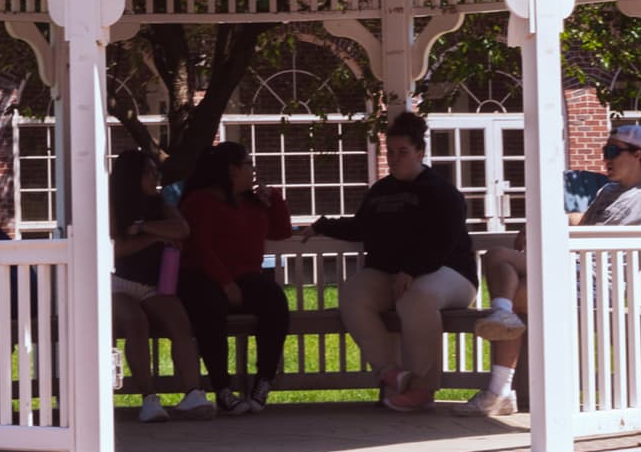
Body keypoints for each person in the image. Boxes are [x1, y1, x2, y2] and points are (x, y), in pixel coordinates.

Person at [464, 124, 641, 416]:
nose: (605, 158)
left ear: (637, 154)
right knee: (501, 266)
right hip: (571, 269)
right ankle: (501, 382)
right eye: (605, 151)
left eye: (612, 151)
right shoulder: (607, 191)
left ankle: (499, 386)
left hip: (596, 286)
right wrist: (540, 222)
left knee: (503, 264)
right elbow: (582, 222)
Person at [306, 112, 479, 414]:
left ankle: (424, 388)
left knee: (416, 298)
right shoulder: (381, 191)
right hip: (395, 275)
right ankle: (390, 373)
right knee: (353, 295)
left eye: (403, 152)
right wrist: (322, 226)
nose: (394, 159)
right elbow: (360, 228)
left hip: (450, 274)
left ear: (420, 153)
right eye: (390, 152)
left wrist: (412, 270)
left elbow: (443, 240)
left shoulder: (441, 192)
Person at [172, 142, 294, 415]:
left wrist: (273, 198)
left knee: (274, 301)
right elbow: (201, 248)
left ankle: (263, 380)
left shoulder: (252, 202)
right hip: (203, 278)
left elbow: (282, 231)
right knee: (210, 309)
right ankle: (222, 388)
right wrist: (225, 283)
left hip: (245, 277)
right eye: (248, 164)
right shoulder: (199, 201)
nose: (253, 170)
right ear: (232, 169)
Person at [107, 148, 211, 422]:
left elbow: (182, 230)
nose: (156, 178)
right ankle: (149, 399)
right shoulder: (113, 203)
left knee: (179, 322)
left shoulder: (160, 202)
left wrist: (143, 228)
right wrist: (155, 236)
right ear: (132, 176)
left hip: (152, 283)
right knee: (135, 322)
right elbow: (118, 248)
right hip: (117, 283)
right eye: (150, 173)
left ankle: (193, 394)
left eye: (157, 172)